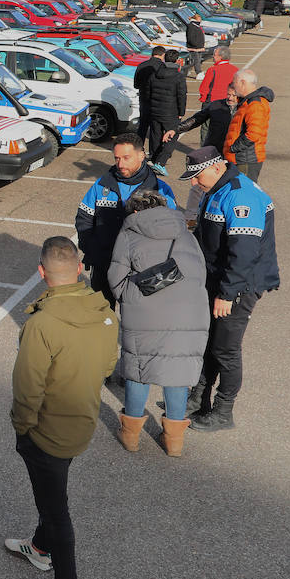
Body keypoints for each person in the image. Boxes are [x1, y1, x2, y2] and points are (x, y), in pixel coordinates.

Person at [6, 237, 119, 579]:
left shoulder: (43, 323)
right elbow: (107, 367)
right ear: (79, 269)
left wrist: (22, 428)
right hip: (82, 423)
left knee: (55, 510)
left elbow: (27, 388)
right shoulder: (104, 311)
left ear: (42, 273)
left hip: (47, 434)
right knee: (52, 495)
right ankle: (39, 549)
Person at [180, 146, 279, 432]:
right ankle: (199, 399)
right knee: (210, 341)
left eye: (197, 176)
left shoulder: (240, 195)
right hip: (220, 278)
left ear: (216, 168)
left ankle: (224, 411)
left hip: (239, 285)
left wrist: (227, 295)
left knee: (225, 349)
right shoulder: (218, 187)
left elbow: (244, 254)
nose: (193, 182)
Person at [106, 190, 207, 456]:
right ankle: (174, 442)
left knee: (139, 370)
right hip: (189, 312)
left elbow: (116, 279)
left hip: (144, 310)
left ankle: (131, 436)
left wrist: (132, 297)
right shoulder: (185, 233)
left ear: (136, 212)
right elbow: (201, 272)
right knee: (177, 371)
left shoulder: (129, 234)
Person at [74, 133, 175, 304]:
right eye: (117, 158)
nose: (120, 164)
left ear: (141, 155)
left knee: (137, 320)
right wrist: (92, 250)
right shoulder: (101, 185)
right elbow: (84, 218)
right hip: (104, 265)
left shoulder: (161, 190)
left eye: (126, 158)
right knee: (102, 315)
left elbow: (171, 230)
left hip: (142, 269)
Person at [168, 83, 235, 223]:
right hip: (212, 153)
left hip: (233, 155)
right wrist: (176, 129)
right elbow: (196, 119)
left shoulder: (245, 109)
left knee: (230, 188)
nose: (230, 97)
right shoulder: (216, 105)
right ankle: (191, 217)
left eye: (234, 95)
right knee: (199, 185)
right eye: (228, 94)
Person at [223, 69, 272, 181]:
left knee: (242, 194)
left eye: (235, 83)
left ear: (243, 83)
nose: (234, 87)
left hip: (245, 160)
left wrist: (233, 148)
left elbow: (254, 134)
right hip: (242, 158)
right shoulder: (247, 102)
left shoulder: (255, 104)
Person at [145, 50, 187, 174]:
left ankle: (153, 158)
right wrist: (181, 111)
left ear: (164, 59)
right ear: (177, 60)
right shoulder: (178, 76)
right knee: (172, 136)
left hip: (155, 110)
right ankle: (160, 162)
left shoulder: (154, 74)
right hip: (171, 112)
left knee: (155, 135)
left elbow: (148, 92)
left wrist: (151, 106)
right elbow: (181, 95)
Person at [132, 46, 166, 143]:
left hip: (144, 100)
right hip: (157, 101)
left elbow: (136, 85)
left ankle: (138, 147)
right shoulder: (162, 67)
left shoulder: (141, 65)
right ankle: (153, 152)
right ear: (163, 55)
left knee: (142, 126)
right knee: (155, 129)